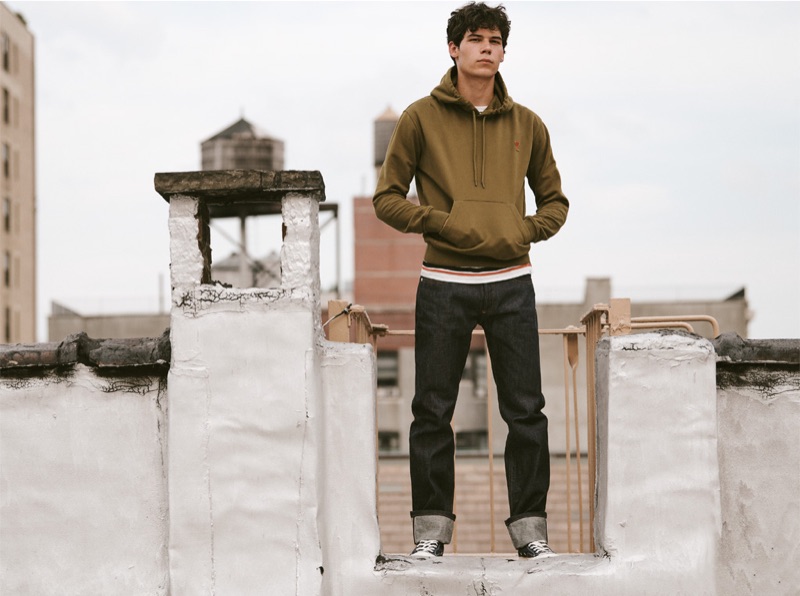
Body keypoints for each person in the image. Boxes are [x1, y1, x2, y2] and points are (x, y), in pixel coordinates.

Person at [373, 1, 569, 559]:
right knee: (432, 411)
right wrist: (441, 222)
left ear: (503, 52)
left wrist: (522, 232)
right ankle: (430, 535)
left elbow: (555, 200)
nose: (487, 48)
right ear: (454, 48)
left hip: (512, 282)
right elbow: (387, 198)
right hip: (442, 282)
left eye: (496, 41)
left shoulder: (528, 124)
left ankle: (531, 535)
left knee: (525, 411)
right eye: (476, 39)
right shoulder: (418, 117)